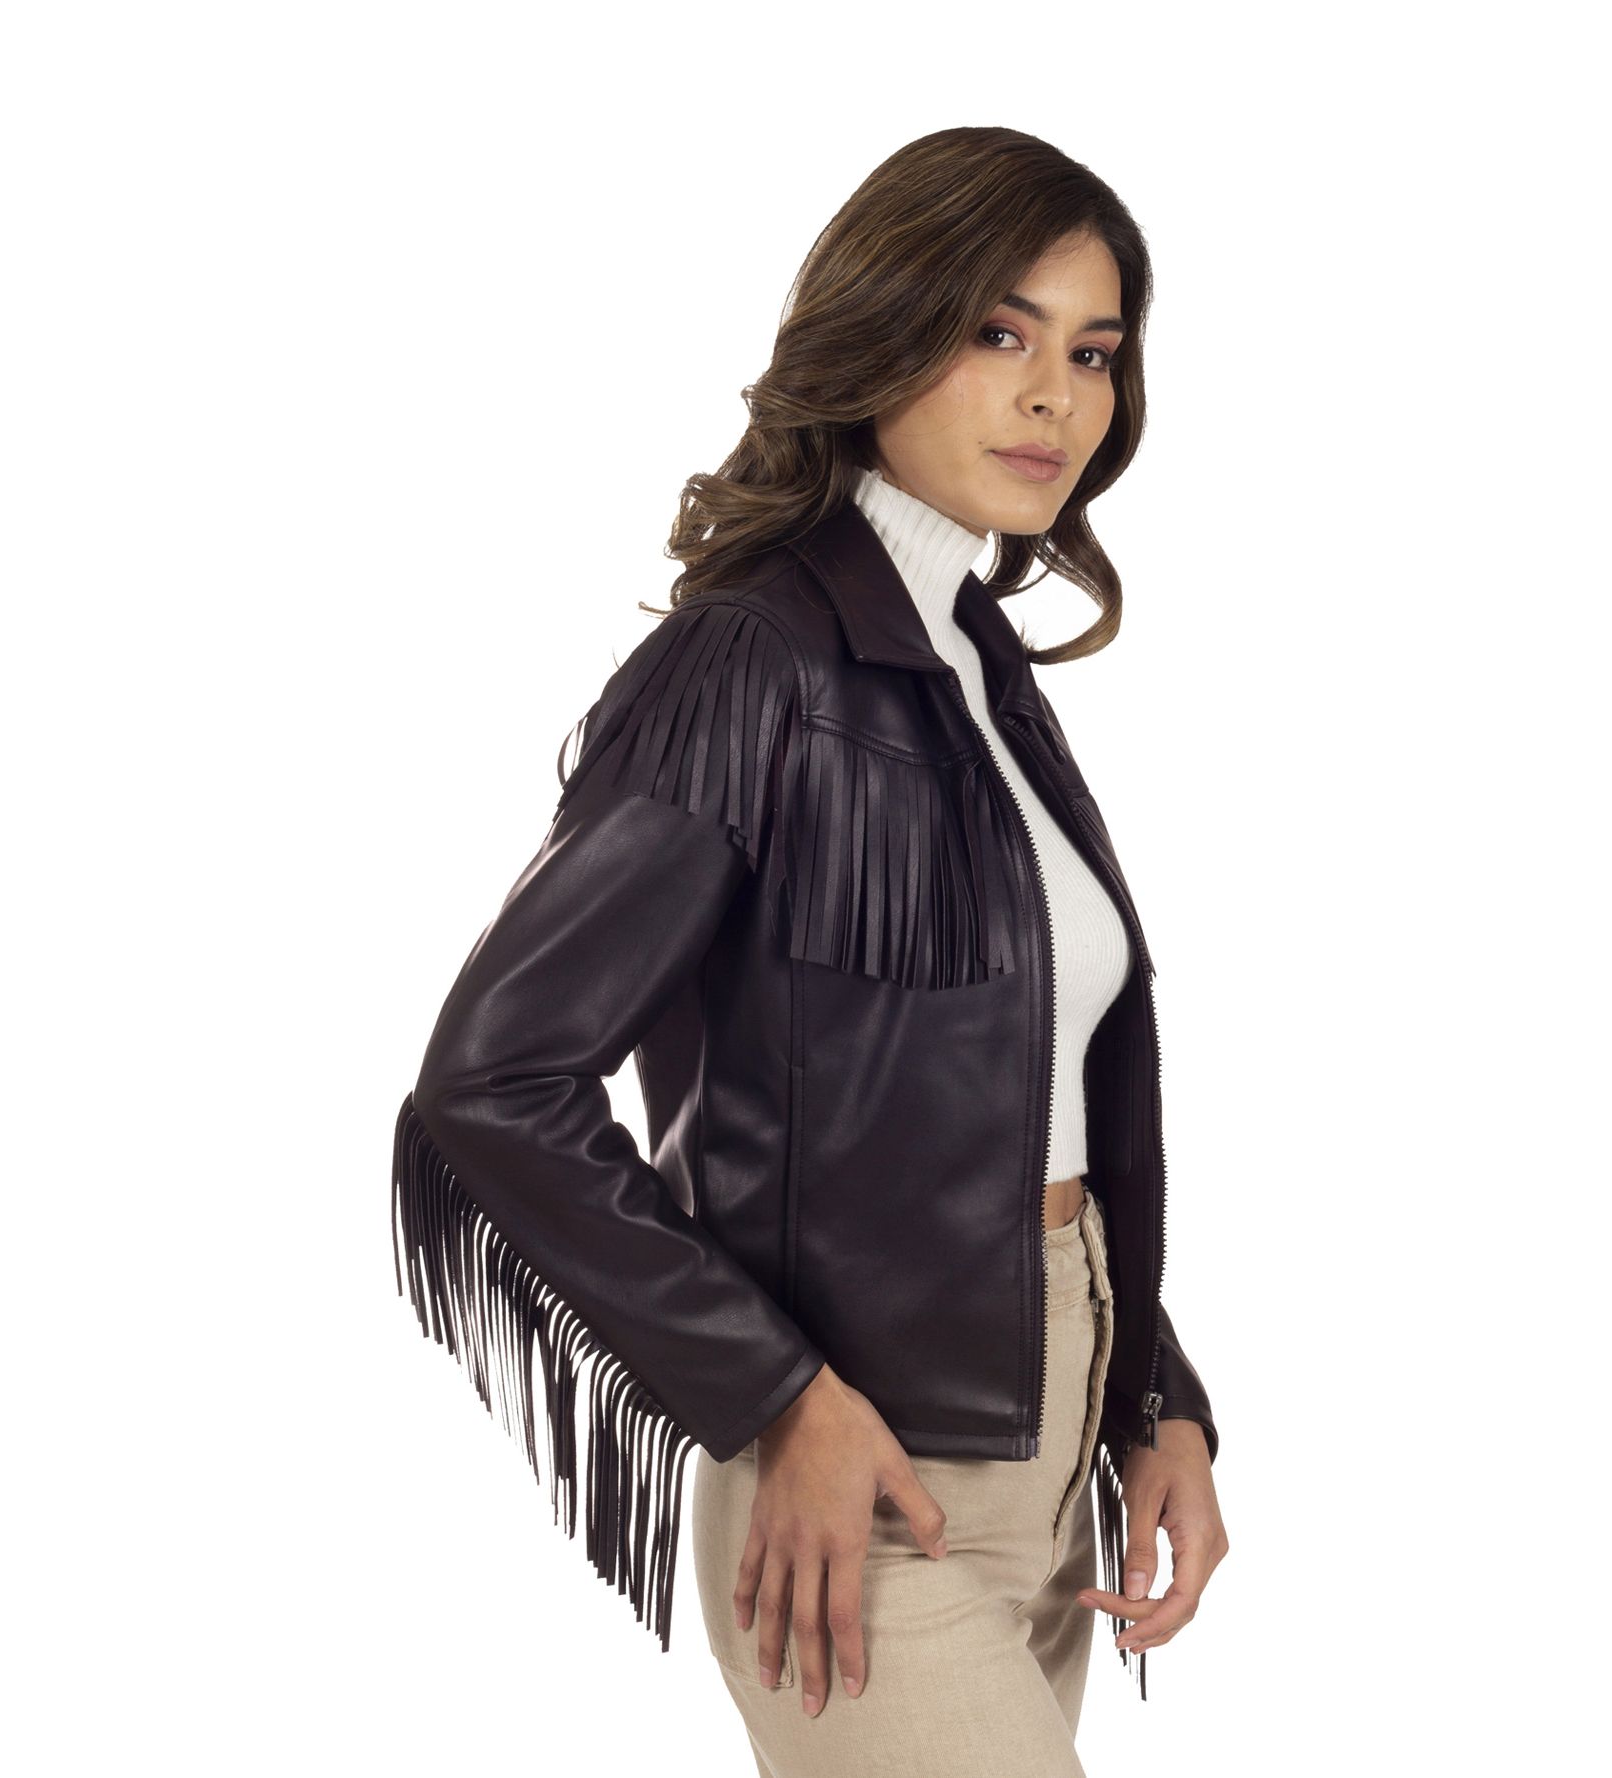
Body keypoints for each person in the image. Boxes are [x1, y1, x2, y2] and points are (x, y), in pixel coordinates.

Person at [391, 125, 1230, 1776]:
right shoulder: (753, 660)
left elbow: (1028, 1102)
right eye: (998, 332)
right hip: (859, 1493)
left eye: (1093, 352)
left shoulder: (978, 669)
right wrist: (777, 1392)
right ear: (883, 329)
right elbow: (497, 1079)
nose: (1054, 397)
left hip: (1051, 1457)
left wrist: (1160, 1397)